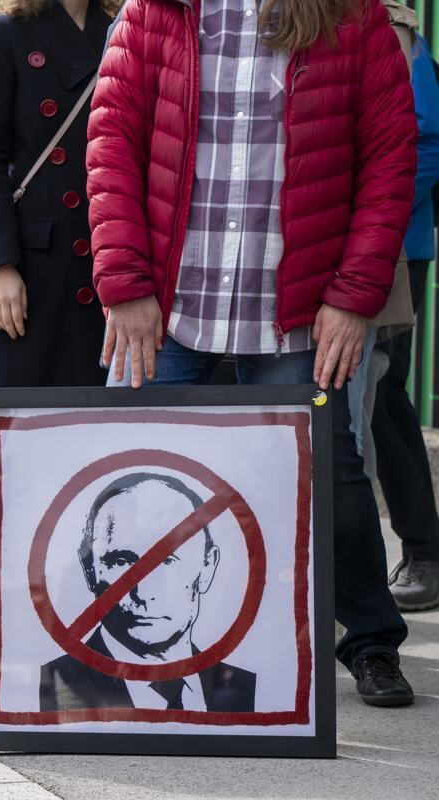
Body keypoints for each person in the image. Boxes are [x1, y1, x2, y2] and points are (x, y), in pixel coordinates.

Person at [88, 0, 417, 705]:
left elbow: (390, 156)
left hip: (297, 310)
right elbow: (111, 140)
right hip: (169, 307)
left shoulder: (350, 16)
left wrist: (354, 295)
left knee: (330, 472)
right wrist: (123, 283)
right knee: (142, 477)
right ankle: (128, 656)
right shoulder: (155, 11)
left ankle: (371, 640)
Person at [0, 0, 110, 386]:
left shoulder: (121, 32)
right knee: (17, 431)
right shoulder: (4, 34)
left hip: (104, 267)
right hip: (30, 275)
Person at [39, 474, 257, 713]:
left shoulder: (245, 691)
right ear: (90, 571)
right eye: (121, 560)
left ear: (207, 566)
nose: (144, 592)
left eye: (168, 559)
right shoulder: (58, 689)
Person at [373, 31, 439, 612]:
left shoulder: (398, 36)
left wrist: (373, 221)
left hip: (392, 251)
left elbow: (423, 146)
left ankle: (425, 551)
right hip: (313, 249)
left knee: (383, 398)